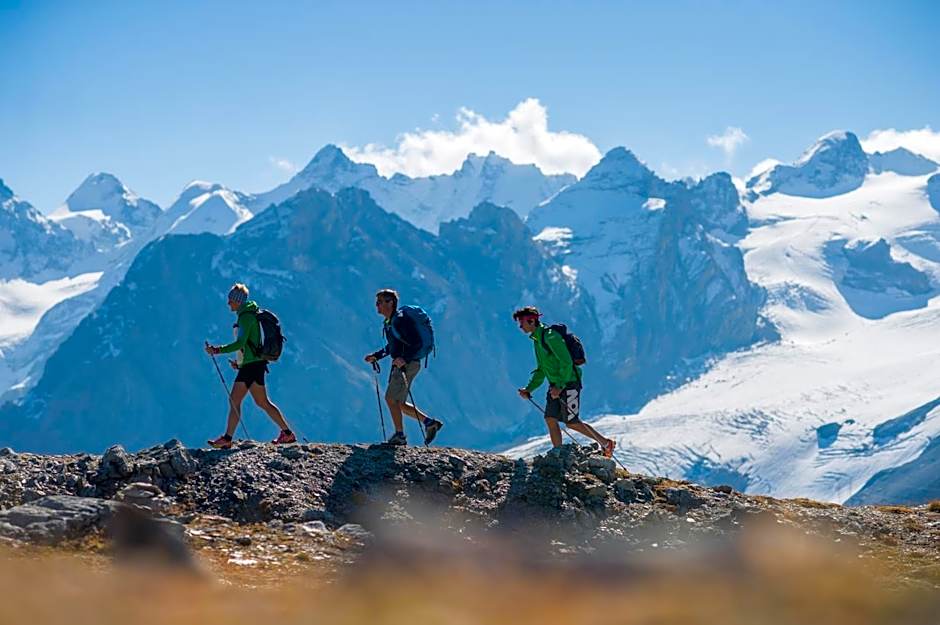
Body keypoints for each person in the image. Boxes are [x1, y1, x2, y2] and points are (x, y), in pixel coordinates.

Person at [513, 306, 615, 457]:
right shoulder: (537, 339)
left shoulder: (550, 337)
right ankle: (558, 454)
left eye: (522, 322)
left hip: (569, 383)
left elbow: (566, 362)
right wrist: (529, 389)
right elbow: (541, 369)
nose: (520, 326)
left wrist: (560, 386)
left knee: (571, 422)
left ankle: (606, 443)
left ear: (532, 321)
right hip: (556, 385)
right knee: (550, 418)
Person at [204, 283, 295, 449]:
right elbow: (248, 346)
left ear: (237, 301)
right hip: (255, 365)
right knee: (262, 402)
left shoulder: (245, 317)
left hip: (252, 366)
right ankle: (287, 434)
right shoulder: (249, 314)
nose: (228, 303)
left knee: (235, 400)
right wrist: (240, 364)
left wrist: (217, 350)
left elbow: (240, 343)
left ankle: (227, 438)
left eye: (230, 300)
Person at [364, 288, 443, 446]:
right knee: (398, 402)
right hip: (406, 363)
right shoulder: (391, 322)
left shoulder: (400, 320)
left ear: (390, 303)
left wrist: (404, 358)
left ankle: (400, 436)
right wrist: (377, 356)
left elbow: (416, 342)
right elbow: (393, 345)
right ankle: (429, 423)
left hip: (406, 364)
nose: (377, 306)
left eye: (380, 302)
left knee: (391, 399)